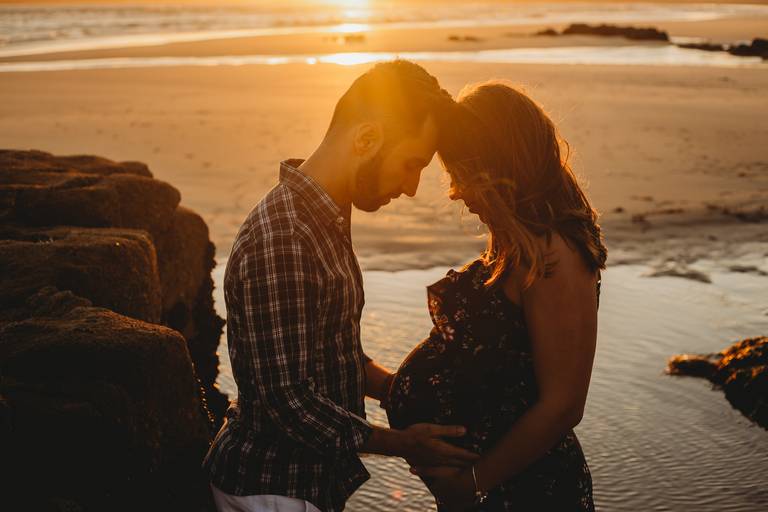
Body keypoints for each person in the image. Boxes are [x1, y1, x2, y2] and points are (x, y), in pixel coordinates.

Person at [202, 60, 479, 512]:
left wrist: (399, 390)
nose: (411, 187)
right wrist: (406, 444)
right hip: (271, 490)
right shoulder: (285, 237)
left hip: (300, 485)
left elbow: (331, 351)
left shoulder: (323, 215)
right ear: (366, 138)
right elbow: (286, 401)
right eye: (412, 164)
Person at [386, 80, 607, 511]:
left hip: (524, 493)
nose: (457, 191)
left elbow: (564, 405)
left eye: (463, 173)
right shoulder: (517, 247)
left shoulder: (552, 255)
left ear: (499, 162)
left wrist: (470, 485)